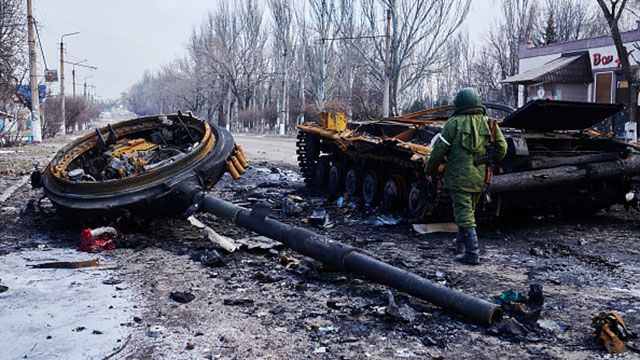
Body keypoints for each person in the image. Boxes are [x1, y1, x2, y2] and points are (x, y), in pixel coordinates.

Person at [424, 88, 507, 265]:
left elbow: (439, 151)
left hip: (458, 177)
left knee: (463, 213)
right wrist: (488, 161)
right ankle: (460, 244)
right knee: (468, 211)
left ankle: (472, 252)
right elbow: (502, 149)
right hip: (480, 178)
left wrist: (430, 170)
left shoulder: (453, 123)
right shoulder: (490, 123)